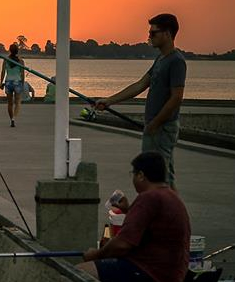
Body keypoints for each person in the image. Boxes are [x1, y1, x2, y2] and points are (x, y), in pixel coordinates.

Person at [95, 14, 186, 189]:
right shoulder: (160, 59)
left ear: (167, 34)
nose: (149, 37)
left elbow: (176, 97)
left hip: (162, 128)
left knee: (158, 177)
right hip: (154, 127)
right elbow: (140, 85)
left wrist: (155, 124)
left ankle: (167, 212)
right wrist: (109, 101)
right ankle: (171, 212)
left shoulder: (176, 61)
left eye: (153, 33)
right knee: (165, 175)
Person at [77, 151, 191, 282]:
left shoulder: (148, 197)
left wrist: (97, 254)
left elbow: (122, 244)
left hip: (149, 271)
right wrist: (129, 210)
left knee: (79, 272)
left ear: (141, 175)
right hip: (172, 273)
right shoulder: (171, 196)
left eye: (133, 174)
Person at [0, 44, 25, 127]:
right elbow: (22, 74)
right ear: (17, 51)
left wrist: (1, 82)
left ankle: (11, 119)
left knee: (10, 103)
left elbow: (3, 72)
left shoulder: (6, 60)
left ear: (10, 50)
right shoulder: (21, 61)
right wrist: (23, 83)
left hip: (8, 82)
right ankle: (14, 118)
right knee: (17, 102)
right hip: (17, 82)